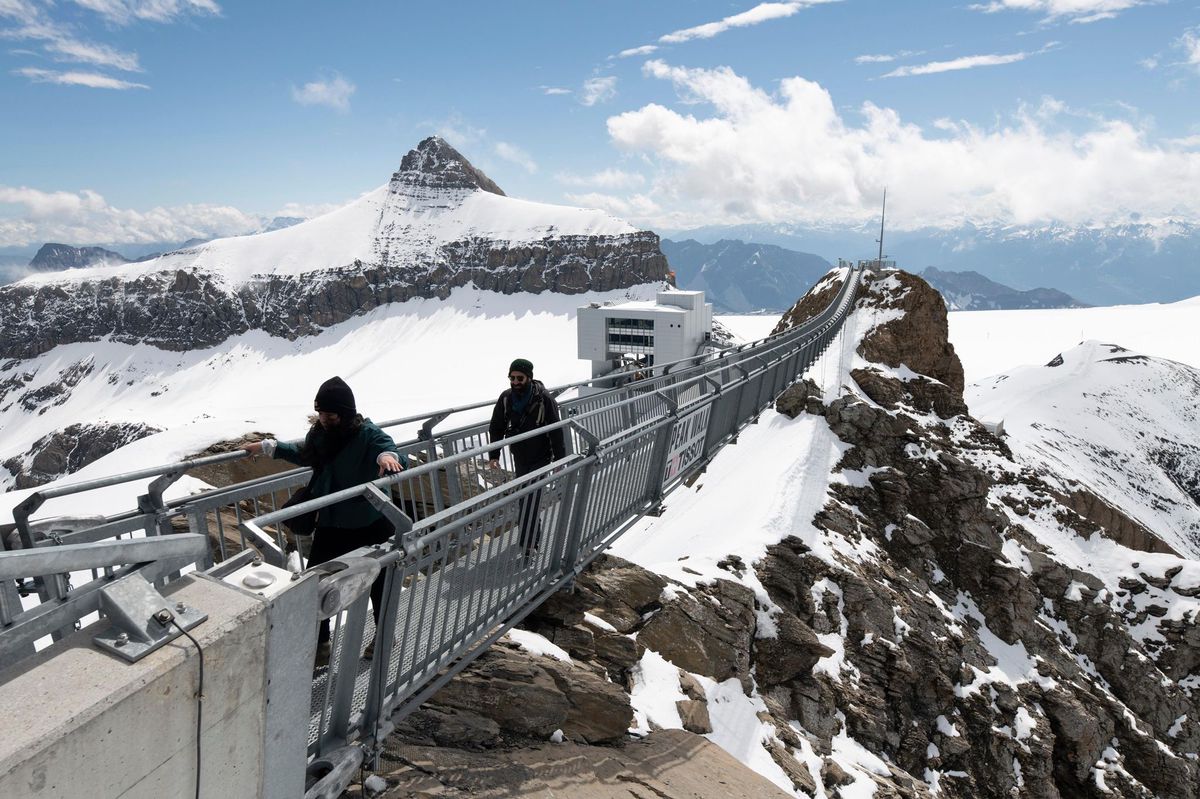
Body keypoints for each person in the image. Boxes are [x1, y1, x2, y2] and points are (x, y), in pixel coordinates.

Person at [244, 376, 402, 663]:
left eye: (329, 415)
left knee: (380, 583)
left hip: (370, 521)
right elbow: (306, 454)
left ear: (346, 413)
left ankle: (385, 636)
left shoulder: (367, 433)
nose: (323, 419)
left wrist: (387, 457)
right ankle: (320, 645)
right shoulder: (319, 434)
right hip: (331, 522)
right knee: (316, 582)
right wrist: (268, 447)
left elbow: (387, 446)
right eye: (320, 414)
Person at [487, 358, 566, 560]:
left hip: (541, 456)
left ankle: (530, 543)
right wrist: (494, 455)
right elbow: (496, 426)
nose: (515, 382)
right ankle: (529, 540)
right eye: (512, 378)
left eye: (519, 378)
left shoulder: (544, 399)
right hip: (520, 456)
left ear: (528, 377)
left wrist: (559, 460)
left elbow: (556, 431)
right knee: (526, 498)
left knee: (532, 497)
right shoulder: (506, 399)